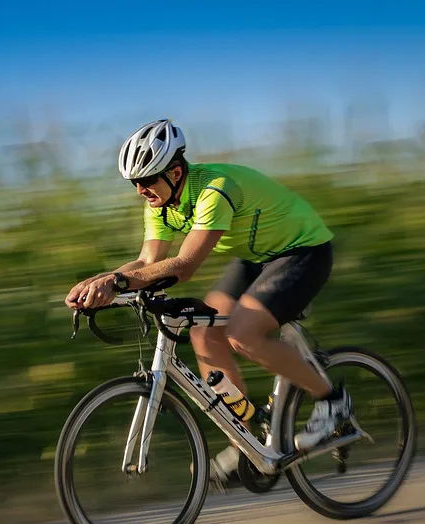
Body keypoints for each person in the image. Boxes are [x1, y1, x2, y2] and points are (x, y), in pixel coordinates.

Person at [64, 118, 350, 488]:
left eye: (147, 180)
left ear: (176, 172)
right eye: (134, 183)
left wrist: (118, 282)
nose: (140, 190)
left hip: (303, 251)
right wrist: (98, 282)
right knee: (204, 330)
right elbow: (148, 263)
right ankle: (244, 444)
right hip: (256, 256)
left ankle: (332, 401)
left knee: (242, 333)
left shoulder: (215, 189)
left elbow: (184, 266)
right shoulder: (160, 203)